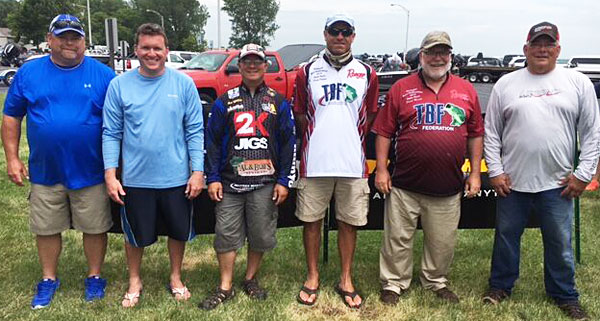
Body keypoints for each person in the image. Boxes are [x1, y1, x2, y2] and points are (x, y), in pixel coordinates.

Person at [483, 22, 599, 320]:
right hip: (513, 181)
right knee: (507, 236)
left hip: (558, 183)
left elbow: (591, 133)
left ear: (558, 49)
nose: (542, 49)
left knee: (560, 242)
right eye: (537, 44)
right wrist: (494, 171)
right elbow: (492, 131)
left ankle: (564, 294)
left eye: (549, 44)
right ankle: (500, 286)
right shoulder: (506, 84)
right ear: (526, 49)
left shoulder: (577, 83)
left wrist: (584, 174)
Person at [1, 14, 115, 309]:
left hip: (91, 169)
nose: (69, 42)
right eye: (62, 36)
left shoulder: (104, 76)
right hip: (45, 170)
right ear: (49, 39)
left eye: (75, 37)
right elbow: (12, 116)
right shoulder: (29, 73)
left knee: (94, 226)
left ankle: (94, 276)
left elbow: (119, 123)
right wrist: (12, 158)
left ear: (84, 41)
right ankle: (49, 279)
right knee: (46, 227)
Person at [371, 31, 484, 305]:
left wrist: (476, 173)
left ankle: (435, 281)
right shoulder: (402, 88)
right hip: (405, 183)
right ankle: (394, 283)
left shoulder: (466, 89)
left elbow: (475, 133)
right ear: (421, 56)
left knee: (442, 241)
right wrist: (382, 169)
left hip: (447, 185)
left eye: (443, 52)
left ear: (451, 57)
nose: (437, 58)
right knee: (397, 238)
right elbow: (384, 131)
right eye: (432, 52)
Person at [102, 23, 205, 308]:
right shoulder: (119, 85)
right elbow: (111, 132)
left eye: (157, 48)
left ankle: (175, 276)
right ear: (135, 50)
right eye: (145, 48)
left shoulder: (183, 84)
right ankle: (135, 280)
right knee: (135, 235)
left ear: (166, 51)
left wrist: (197, 171)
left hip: (176, 177)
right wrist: (111, 174)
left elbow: (195, 130)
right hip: (135, 178)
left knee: (177, 231)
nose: (151, 53)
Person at [199, 44, 296, 310]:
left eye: (257, 62)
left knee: (261, 235)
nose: (252, 66)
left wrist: (284, 180)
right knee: (226, 235)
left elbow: (289, 143)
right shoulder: (224, 100)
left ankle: (251, 278)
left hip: (265, 183)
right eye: (247, 62)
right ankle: (225, 286)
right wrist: (214, 177)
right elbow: (213, 142)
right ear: (239, 67)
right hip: (230, 183)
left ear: (266, 66)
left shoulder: (279, 101)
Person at [293, 13, 379, 309]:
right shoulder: (306, 71)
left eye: (346, 32)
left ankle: (346, 278)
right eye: (334, 31)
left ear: (353, 36)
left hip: (352, 163)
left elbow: (368, 116)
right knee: (311, 221)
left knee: (349, 223)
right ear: (325, 34)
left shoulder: (367, 72)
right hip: (314, 162)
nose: (339, 37)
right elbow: (301, 115)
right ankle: (313, 275)